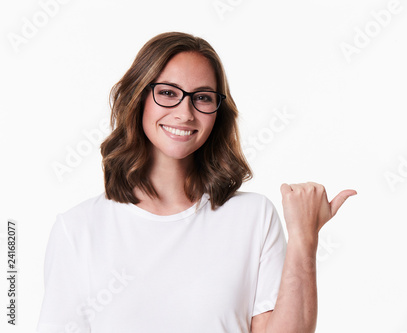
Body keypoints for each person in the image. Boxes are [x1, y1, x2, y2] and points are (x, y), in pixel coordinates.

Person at [36, 32, 356, 333]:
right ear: (138, 97)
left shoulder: (253, 217)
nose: (185, 113)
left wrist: (304, 237)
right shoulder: (78, 229)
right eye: (167, 93)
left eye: (202, 97)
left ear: (218, 112)